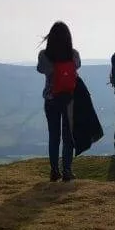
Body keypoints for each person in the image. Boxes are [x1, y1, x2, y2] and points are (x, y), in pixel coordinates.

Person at [37, 21, 81, 181]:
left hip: (51, 98)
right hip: (69, 98)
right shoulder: (74, 54)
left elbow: (41, 69)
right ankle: (67, 170)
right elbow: (78, 66)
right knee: (68, 136)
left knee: (54, 135)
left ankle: (54, 171)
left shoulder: (44, 55)